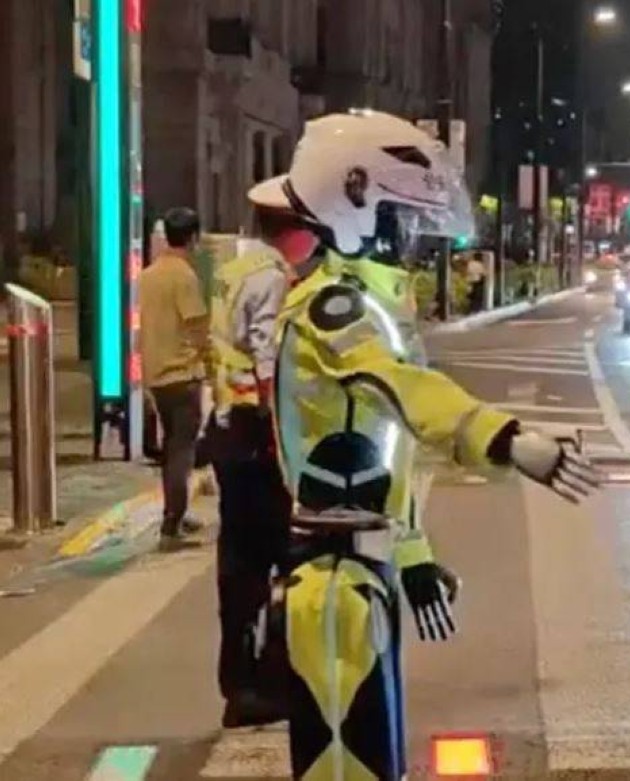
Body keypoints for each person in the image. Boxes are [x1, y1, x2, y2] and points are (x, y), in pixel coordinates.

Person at [249, 111, 599, 780]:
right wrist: (506, 438)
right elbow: (405, 389)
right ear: (356, 209)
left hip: (358, 569)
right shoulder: (336, 309)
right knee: (346, 763)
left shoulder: (364, 304)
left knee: (373, 754)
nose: (409, 238)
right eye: (398, 220)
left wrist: (411, 557)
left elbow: (382, 454)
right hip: (333, 579)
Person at [207, 189, 319, 728]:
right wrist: (285, 437)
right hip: (257, 433)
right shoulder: (272, 276)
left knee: (238, 560)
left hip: (228, 427)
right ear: (295, 231)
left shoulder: (237, 267)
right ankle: (265, 681)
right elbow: (268, 357)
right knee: (286, 552)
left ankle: (241, 679)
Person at [139, 207, 208, 551]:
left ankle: (177, 514)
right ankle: (172, 525)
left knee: (171, 448)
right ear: (193, 237)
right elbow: (197, 326)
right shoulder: (184, 277)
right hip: (182, 374)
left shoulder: (148, 275)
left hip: (156, 374)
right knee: (182, 452)